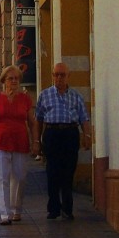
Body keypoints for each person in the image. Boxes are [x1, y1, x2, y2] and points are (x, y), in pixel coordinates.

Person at [32, 61, 93, 220]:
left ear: (68, 77)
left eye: (62, 75)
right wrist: (36, 142)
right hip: (52, 134)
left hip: (69, 134)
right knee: (52, 172)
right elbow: (38, 120)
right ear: (52, 76)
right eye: (56, 75)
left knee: (68, 172)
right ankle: (53, 208)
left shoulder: (76, 96)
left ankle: (67, 208)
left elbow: (84, 119)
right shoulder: (44, 95)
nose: (59, 78)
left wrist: (87, 137)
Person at [0, 65, 36, 225]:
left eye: (17, 79)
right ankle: (5, 214)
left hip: (21, 142)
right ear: (4, 80)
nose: (14, 81)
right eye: (11, 78)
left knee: (19, 177)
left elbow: (32, 122)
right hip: (0, 142)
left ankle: (16, 209)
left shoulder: (25, 98)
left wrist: (36, 141)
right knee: (2, 178)